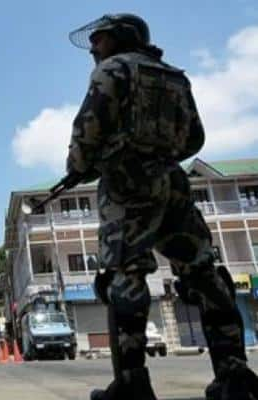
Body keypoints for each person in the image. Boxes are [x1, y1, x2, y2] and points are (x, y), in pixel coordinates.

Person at [66, 14, 258, 400]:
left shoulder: (113, 70)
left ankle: (132, 384)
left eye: (99, 40)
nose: (93, 48)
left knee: (125, 277)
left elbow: (87, 130)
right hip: (174, 185)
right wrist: (160, 156)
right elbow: (194, 138)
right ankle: (235, 377)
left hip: (127, 186)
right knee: (205, 275)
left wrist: (81, 167)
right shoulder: (174, 75)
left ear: (120, 39)